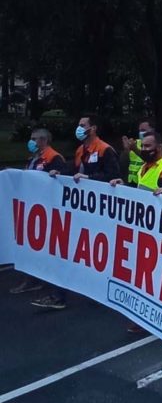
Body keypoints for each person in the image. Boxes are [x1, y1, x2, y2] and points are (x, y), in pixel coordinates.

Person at [35, 116, 120, 310]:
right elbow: (73, 171)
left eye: (83, 125)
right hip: (81, 210)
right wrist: (60, 173)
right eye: (79, 125)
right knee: (68, 249)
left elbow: (114, 177)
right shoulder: (80, 150)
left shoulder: (105, 150)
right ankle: (59, 295)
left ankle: (97, 290)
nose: (79, 128)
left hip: (100, 212)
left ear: (94, 128)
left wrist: (89, 178)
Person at [109, 130, 162, 333]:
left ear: (159, 148)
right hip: (145, 231)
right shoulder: (144, 168)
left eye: (147, 147)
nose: (143, 150)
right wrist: (124, 185)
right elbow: (140, 190)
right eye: (143, 146)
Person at [9, 129, 65, 295]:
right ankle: (34, 278)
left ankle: (46, 281)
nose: (31, 142)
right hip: (32, 209)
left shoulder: (54, 158)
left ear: (43, 140)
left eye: (34, 139)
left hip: (46, 210)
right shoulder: (34, 159)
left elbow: (60, 181)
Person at [122, 119, 153, 186]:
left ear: (152, 130)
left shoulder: (158, 145)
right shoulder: (135, 143)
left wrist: (134, 149)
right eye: (140, 130)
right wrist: (126, 149)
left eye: (143, 130)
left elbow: (151, 160)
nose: (141, 133)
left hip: (146, 183)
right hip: (131, 182)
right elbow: (124, 163)